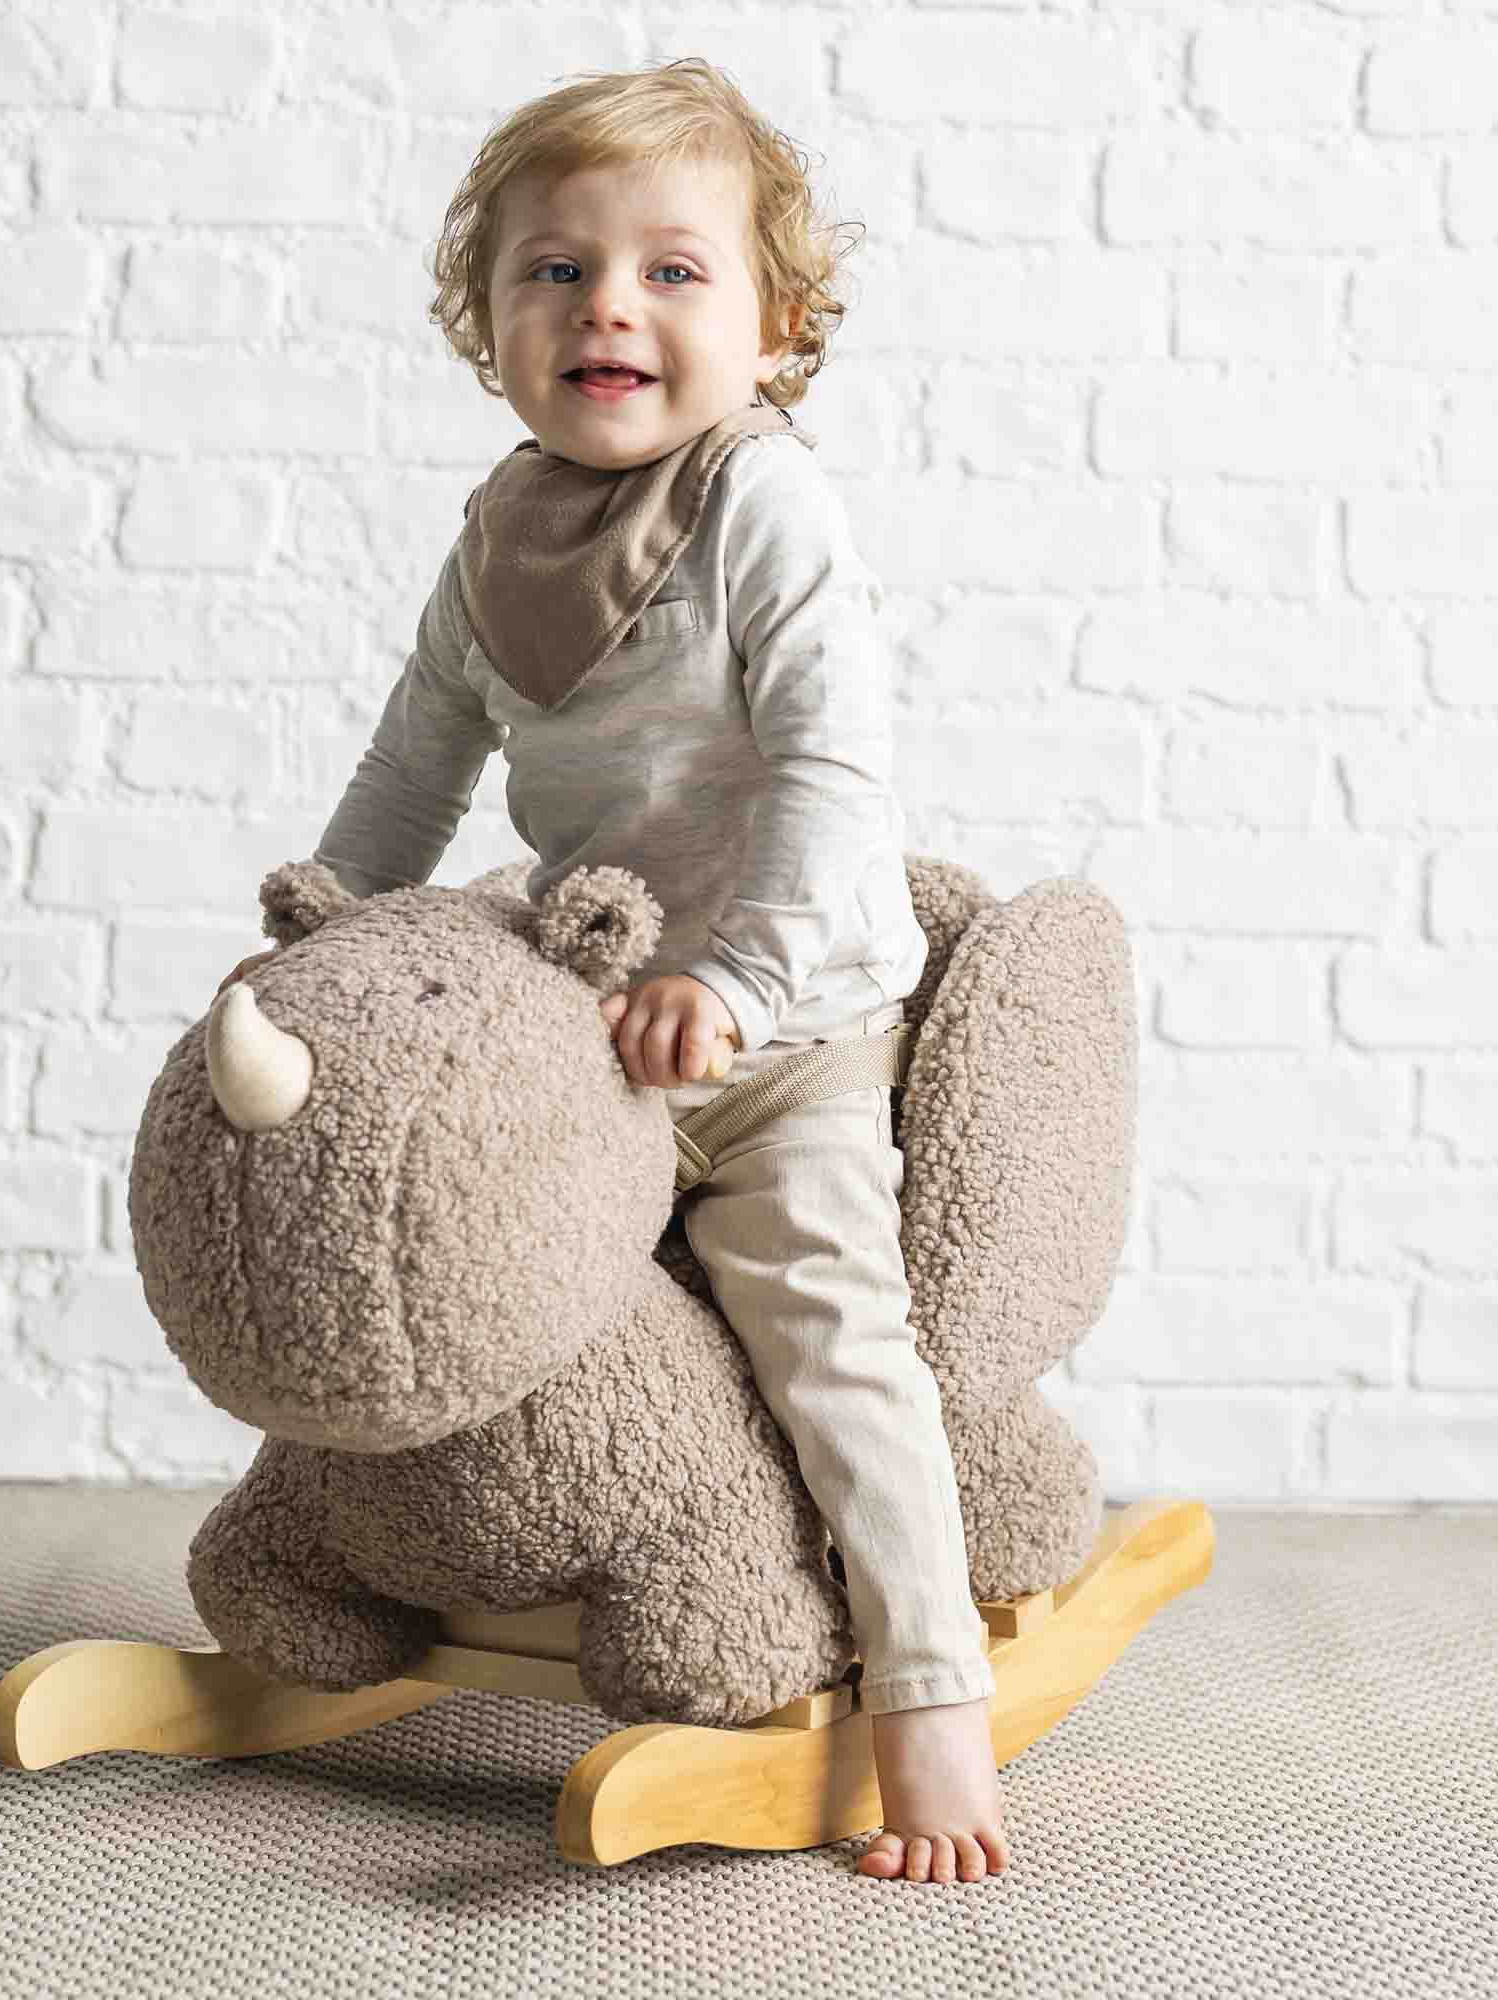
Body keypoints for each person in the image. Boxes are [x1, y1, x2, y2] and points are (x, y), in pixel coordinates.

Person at [215, 58, 1008, 1887]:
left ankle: (929, 1687)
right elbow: (417, 761)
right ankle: (414, 1559)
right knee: (444, 1257)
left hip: (788, 1032)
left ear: (777, 327)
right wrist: (332, 925)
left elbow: (832, 780)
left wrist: (738, 987)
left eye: (672, 271)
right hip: (593, 1023)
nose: (608, 309)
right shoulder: (498, 539)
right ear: (487, 321)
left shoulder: (763, 509)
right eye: (556, 272)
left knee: (830, 1337)